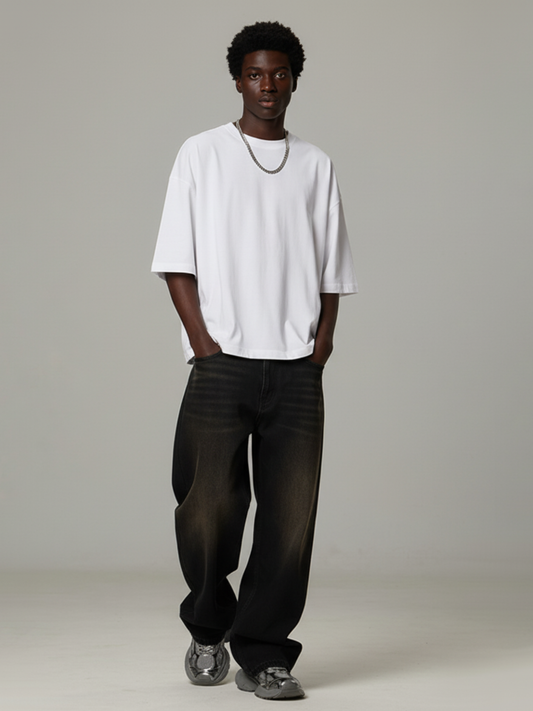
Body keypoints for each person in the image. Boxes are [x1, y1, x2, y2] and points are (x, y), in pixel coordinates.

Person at [151, 20, 357, 701]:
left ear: (294, 80)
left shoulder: (316, 164)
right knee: (206, 506)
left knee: (289, 520)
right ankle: (208, 624)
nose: (268, 85)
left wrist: (322, 342)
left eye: (279, 74)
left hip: (296, 368)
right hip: (222, 363)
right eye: (255, 74)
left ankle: (265, 653)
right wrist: (203, 344)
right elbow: (175, 260)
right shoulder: (201, 154)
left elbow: (331, 268)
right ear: (238, 80)